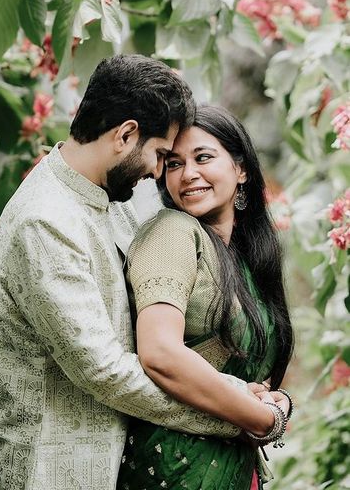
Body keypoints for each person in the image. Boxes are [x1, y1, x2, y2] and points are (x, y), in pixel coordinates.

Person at [0, 56, 262, 490]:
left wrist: (233, 390)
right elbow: (105, 370)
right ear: (126, 134)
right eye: (161, 155)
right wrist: (235, 414)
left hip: (113, 466)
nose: (156, 172)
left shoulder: (114, 202)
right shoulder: (45, 220)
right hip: (48, 471)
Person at [117, 104, 294, 490]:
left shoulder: (245, 260)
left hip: (231, 466)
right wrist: (264, 419)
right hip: (174, 469)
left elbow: (243, 374)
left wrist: (276, 401)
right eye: (175, 164)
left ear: (241, 169)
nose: (188, 174)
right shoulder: (173, 230)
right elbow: (160, 354)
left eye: (203, 158)